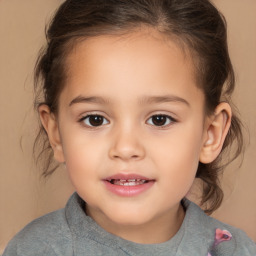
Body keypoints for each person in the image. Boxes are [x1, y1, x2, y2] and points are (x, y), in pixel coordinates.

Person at [3, 0, 256, 255]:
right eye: (95, 119)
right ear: (56, 133)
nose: (125, 148)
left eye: (160, 119)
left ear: (210, 135)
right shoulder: (34, 250)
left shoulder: (237, 250)